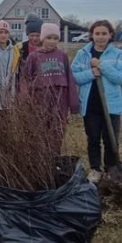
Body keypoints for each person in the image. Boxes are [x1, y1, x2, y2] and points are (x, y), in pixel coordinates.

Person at [72, 20, 122, 183]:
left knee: (111, 139)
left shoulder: (117, 54)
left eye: (104, 33)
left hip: (111, 106)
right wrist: (91, 72)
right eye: (97, 33)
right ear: (92, 35)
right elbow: (74, 76)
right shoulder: (82, 54)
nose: (100, 37)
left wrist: (102, 66)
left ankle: (111, 169)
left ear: (110, 35)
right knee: (93, 139)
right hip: (90, 105)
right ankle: (95, 169)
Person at [22, 23, 79, 156]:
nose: (52, 41)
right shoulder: (34, 56)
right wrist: (25, 99)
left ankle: (54, 157)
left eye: (55, 38)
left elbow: (70, 79)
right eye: (49, 38)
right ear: (42, 38)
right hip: (40, 98)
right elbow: (26, 79)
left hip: (60, 99)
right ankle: (40, 157)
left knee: (57, 129)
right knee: (40, 128)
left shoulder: (62, 56)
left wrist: (74, 103)